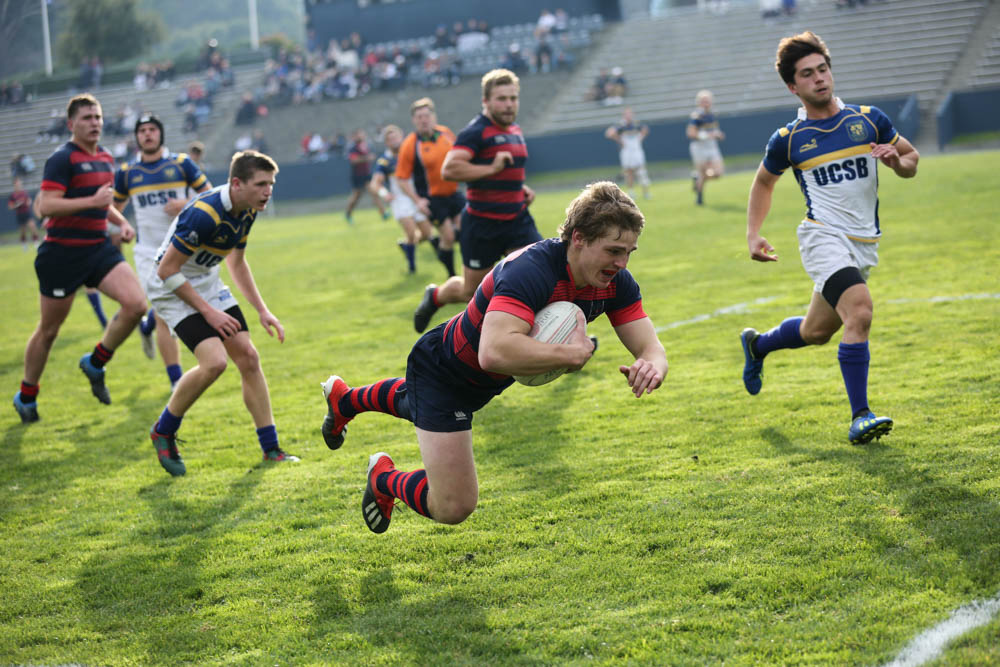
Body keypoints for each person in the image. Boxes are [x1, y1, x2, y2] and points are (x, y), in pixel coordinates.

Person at [319, 182, 668, 533]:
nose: (621, 263)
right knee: (454, 504)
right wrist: (569, 354)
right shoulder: (530, 271)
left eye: (629, 252)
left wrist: (652, 365)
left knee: (413, 403)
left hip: (478, 384)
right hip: (442, 370)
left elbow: (650, 347)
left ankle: (345, 400)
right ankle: (384, 479)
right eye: (613, 251)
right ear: (579, 238)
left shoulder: (615, 282)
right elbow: (494, 351)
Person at [739, 31, 919, 445]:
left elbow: (911, 159)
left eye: (823, 69)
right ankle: (861, 416)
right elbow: (763, 183)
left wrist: (897, 162)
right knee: (860, 312)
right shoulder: (789, 139)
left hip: (864, 244)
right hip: (822, 237)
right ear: (793, 86)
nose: (819, 78)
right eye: (807, 74)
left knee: (817, 331)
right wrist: (753, 234)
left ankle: (758, 345)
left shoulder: (869, 119)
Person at [146, 150, 297, 475]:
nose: (267, 191)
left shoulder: (248, 208)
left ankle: (272, 450)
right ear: (237, 183)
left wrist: (262, 310)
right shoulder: (204, 213)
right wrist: (210, 314)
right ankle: (164, 429)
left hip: (206, 282)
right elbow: (166, 271)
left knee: (249, 357)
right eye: (260, 184)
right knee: (214, 362)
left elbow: (236, 262)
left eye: (270, 183)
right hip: (171, 287)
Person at [12, 94, 147, 423]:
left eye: (98, 117)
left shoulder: (105, 156)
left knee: (136, 304)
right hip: (62, 254)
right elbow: (47, 206)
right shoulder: (62, 159)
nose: (95, 123)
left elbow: (104, 202)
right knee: (49, 331)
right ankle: (26, 395)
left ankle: (95, 362)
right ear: (71, 124)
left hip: (97, 248)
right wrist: (92, 200)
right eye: (87, 118)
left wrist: (121, 222)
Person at [413, 69, 543, 333]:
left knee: (543, 277)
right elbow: (449, 170)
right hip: (483, 224)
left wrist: (520, 189)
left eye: (513, 98)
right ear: (486, 101)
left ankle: (563, 338)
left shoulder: (515, 129)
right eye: (501, 99)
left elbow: (508, 172)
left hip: (517, 220)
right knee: (469, 291)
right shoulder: (475, 132)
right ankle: (435, 295)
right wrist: (491, 169)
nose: (509, 105)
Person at [113, 114, 211, 389]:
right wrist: (119, 228)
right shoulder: (127, 172)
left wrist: (185, 202)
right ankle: (175, 382)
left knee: (177, 309)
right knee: (165, 314)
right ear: (137, 137)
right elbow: (114, 210)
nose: (147, 134)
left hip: (182, 250)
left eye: (152, 129)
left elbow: (210, 194)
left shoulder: (181, 164)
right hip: (147, 253)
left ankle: (146, 326)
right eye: (142, 130)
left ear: (161, 134)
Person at [395, 97, 463, 277]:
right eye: (419, 117)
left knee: (468, 230)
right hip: (432, 198)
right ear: (414, 120)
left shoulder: (445, 133)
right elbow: (401, 178)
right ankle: (452, 275)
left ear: (434, 116)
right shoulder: (410, 144)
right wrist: (418, 201)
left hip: (454, 193)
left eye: (426, 115)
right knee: (448, 236)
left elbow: (459, 155)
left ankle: (472, 273)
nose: (423, 120)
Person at [369, 124, 436, 274]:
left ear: (402, 137)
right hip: (400, 200)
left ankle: (406, 246)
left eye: (395, 137)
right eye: (389, 139)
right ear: (386, 142)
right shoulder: (385, 161)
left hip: (416, 197)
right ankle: (412, 268)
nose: (393, 141)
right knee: (411, 233)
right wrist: (384, 193)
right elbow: (375, 183)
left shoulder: (412, 153)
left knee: (427, 234)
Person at [687, 90, 725, 206]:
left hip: (712, 147)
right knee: (702, 172)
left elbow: (714, 130)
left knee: (718, 173)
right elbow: (690, 133)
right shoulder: (696, 116)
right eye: (703, 101)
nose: (706, 103)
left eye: (707, 101)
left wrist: (719, 135)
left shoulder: (712, 115)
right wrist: (708, 135)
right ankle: (699, 198)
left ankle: (697, 179)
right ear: (699, 103)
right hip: (699, 148)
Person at [605, 108, 651, 200]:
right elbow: (609, 133)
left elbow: (646, 130)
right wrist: (619, 140)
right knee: (629, 171)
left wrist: (641, 138)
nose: (629, 116)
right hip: (626, 151)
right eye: (627, 114)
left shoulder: (637, 124)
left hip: (637, 150)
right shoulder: (621, 125)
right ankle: (631, 192)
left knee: (641, 171)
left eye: (630, 114)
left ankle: (646, 192)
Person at [344, 128, 386, 224]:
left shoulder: (366, 145)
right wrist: (366, 158)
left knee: (374, 192)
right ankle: (348, 214)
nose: (361, 136)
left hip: (367, 174)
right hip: (357, 176)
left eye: (362, 134)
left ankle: (383, 213)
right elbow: (353, 160)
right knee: (356, 197)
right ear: (354, 136)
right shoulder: (352, 147)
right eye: (359, 134)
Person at [7, 177, 39, 250]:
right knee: (23, 231)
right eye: (17, 183)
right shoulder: (12, 195)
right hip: (20, 214)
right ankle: (24, 244)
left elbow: (29, 201)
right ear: (14, 185)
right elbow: (10, 206)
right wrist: (17, 205)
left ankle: (36, 243)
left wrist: (28, 202)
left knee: (33, 226)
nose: (19, 185)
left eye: (20, 183)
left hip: (27, 213)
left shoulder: (24, 193)